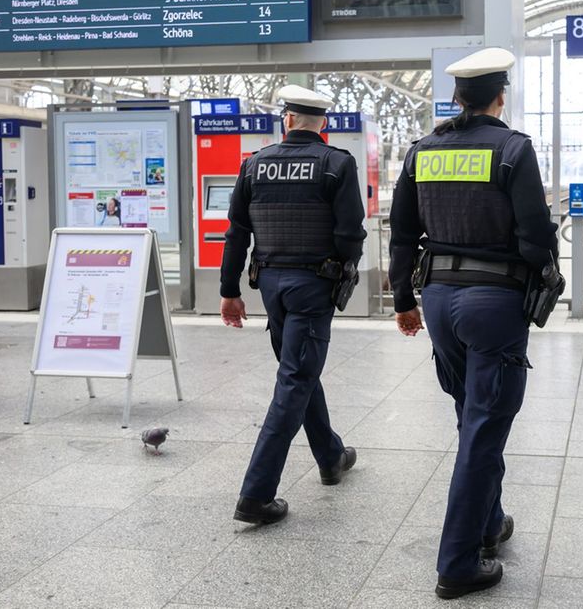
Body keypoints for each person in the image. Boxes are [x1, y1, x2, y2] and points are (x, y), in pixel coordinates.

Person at [389, 47, 560, 600]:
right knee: (485, 429)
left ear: (458, 96)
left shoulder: (422, 151)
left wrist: (403, 301)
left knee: (472, 416)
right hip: (494, 303)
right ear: (500, 96)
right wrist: (545, 274)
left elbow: (401, 233)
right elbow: (535, 234)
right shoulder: (513, 150)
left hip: (439, 299)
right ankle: (459, 561)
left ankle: (490, 522)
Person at [219, 85, 366, 526]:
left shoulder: (254, 164)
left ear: (287, 119)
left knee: (297, 370)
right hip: (313, 284)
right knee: (295, 379)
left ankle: (331, 456)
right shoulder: (336, 164)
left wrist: (229, 292)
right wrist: (345, 270)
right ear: (322, 123)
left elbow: (236, 233)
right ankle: (256, 494)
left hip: (270, 285)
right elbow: (350, 233)